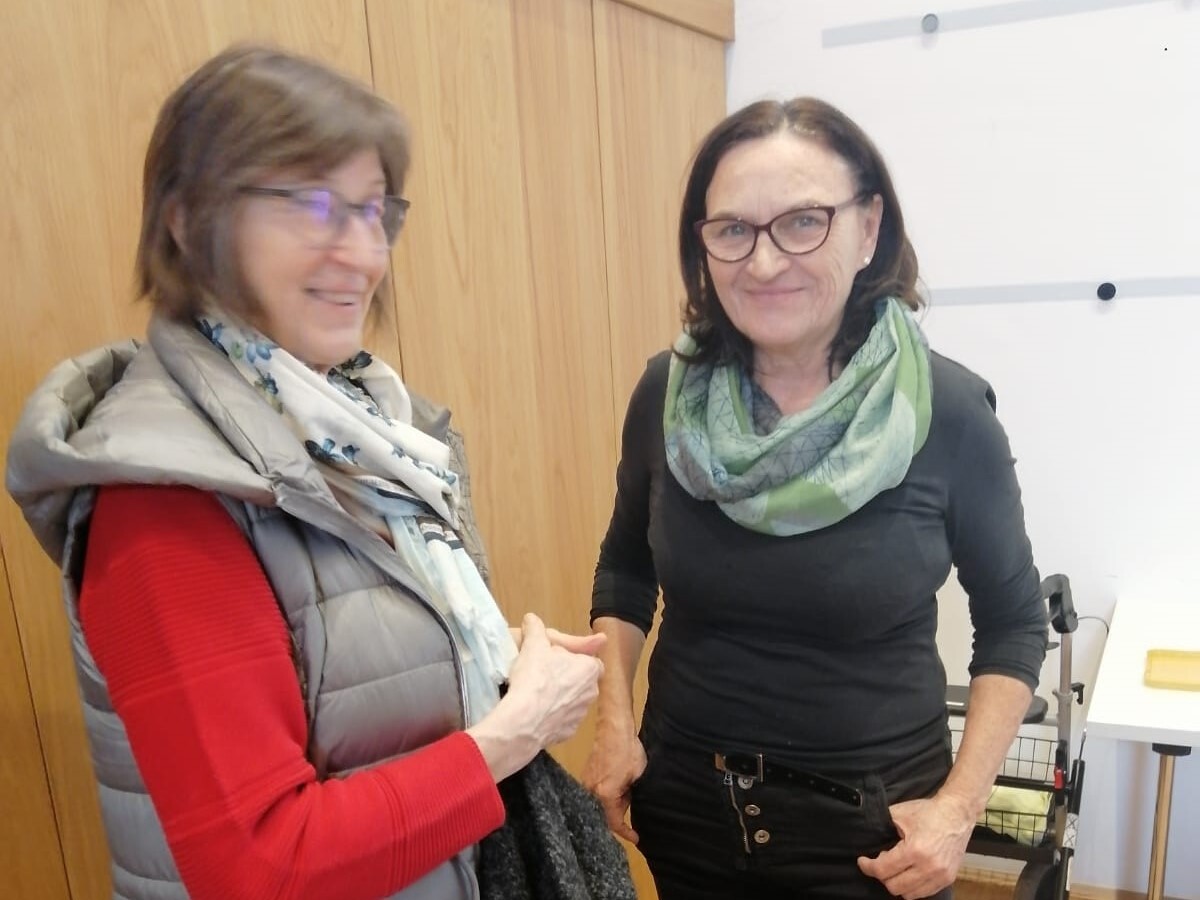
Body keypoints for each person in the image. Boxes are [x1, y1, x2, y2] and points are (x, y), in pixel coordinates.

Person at [6, 45, 609, 900]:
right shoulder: (162, 497)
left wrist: (473, 651)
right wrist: (515, 731)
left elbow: (336, 679)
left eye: (373, 210)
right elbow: (262, 864)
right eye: (313, 205)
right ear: (188, 220)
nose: (363, 253)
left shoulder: (356, 430)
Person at [583, 97, 1049, 900]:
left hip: (874, 838)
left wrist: (959, 809)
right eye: (733, 229)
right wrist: (614, 722)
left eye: (803, 222)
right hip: (687, 812)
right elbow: (626, 569)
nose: (764, 263)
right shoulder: (668, 395)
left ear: (869, 228)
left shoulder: (943, 412)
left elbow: (1013, 623)